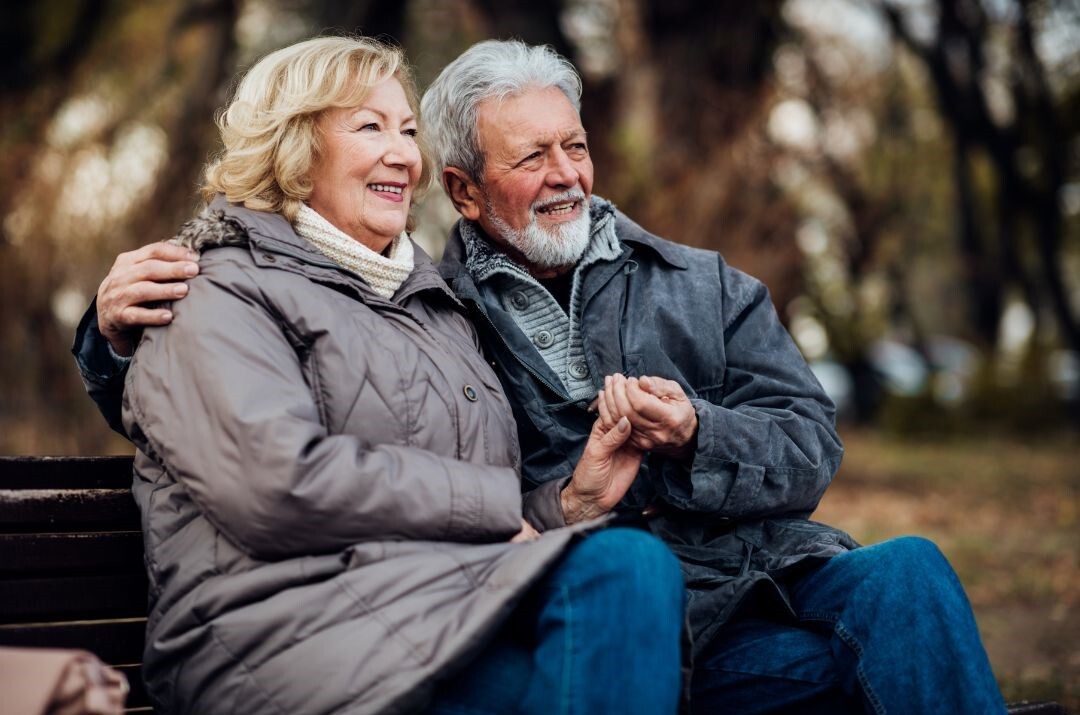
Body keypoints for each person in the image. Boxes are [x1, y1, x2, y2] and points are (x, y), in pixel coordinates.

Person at [75, 40, 1006, 715]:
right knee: (634, 587)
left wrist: (692, 434)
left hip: (742, 576)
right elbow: (221, 417)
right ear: (467, 190)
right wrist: (107, 336)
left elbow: (810, 443)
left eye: (577, 147)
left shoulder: (695, 283)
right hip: (560, 602)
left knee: (906, 574)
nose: (569, 177)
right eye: (532, 157)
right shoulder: (437, 302)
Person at [77, 35, 686, 715]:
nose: (403, 152)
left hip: (424, 613)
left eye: (407, 129)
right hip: (280, 639)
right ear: (294, 148)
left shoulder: (432, 308)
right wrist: (491, 507)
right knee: (621, 580)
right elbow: (278, 486)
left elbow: (465, 510)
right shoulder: (211, 289)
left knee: (631, 573)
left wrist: (571, 501)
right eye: (370, 127)